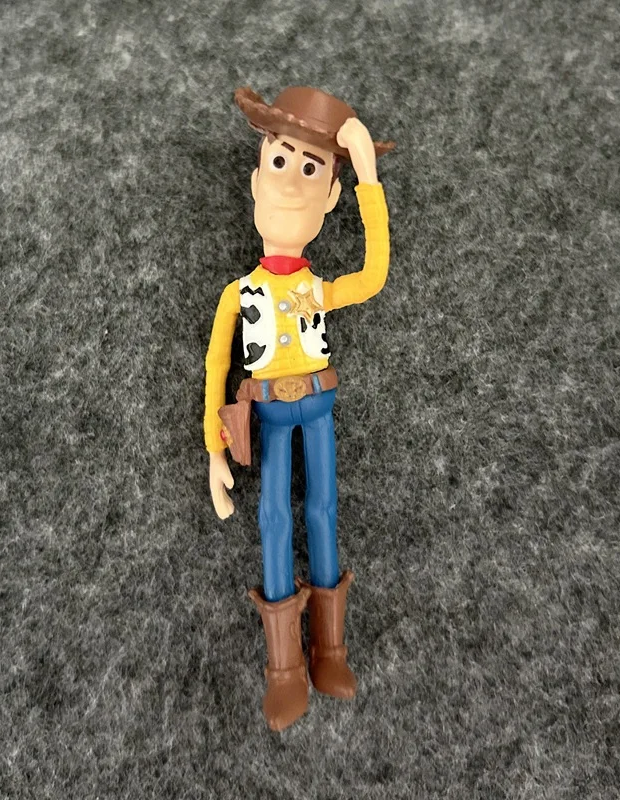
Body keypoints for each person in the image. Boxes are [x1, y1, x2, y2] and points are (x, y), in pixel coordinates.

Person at [203, 85, 393, 731]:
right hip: (269, 414)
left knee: (323, 511)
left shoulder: (315, 289)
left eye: (311, 170)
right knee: (274, 520)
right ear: (256, 180)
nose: (289, 182)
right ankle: (284, 668)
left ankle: (330, 650)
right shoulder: (240, 293)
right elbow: (216, 368)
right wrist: (214, 447)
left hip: (317, 407)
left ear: (331, 197)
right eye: (279, 161)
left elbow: (372, 277)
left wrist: (367, 174)